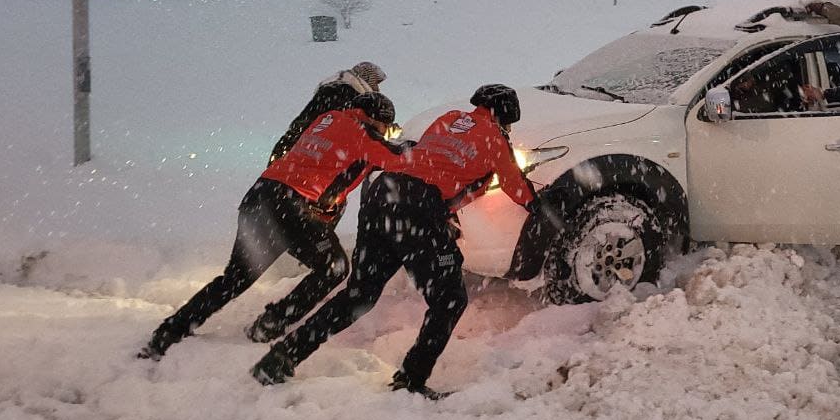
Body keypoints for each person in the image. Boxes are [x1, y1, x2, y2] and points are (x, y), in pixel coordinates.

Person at [250, 84, 539, 400]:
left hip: (383, 193)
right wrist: (543, 208)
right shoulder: (495, 138)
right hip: (418, 207)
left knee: (359, 295)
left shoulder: (449, 118)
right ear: (505, 117)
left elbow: (432, 161)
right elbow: (515, 186)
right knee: (449, 299)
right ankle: (411, 381)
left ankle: (280, 358)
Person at [137, 92, 407, 360]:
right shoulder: (362, 133)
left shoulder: (329, 119)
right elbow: (400, 158)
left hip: (261, 197)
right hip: (291, 205)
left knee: (236, 278)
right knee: (332, 267)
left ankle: (169, 333)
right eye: (387, 127)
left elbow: (338, 161)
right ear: (376, 120)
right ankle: (272, 324)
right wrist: (419, 147)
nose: (387, 133)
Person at [269, 61, 388, 164]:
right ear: (367, 79)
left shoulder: (332, 91)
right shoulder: (350, 95)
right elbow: (357, 132)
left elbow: (303, 123)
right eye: (375, 83)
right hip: (317, 156)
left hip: (297, 151)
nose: (377, 88)